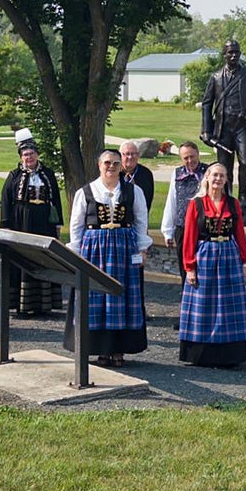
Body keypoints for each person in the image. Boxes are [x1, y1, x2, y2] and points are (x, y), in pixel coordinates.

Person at [65, 149, 152, 367]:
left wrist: (142, 249)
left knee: (122, 296)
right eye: (107, 163)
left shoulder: (134, 191)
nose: (111, 167)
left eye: (115, 163)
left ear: (121, 166)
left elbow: (142, 221)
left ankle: (119, 349)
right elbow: (76, 225)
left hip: (125, 248)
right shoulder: (85, 192)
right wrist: (76, 253)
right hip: (94, 249)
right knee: (96, 296)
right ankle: (100, 349)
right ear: (99, 165)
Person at [179, 163, 246, 367]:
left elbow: (239, 233)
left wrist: (245, 262)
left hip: (228, 255)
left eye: (222, 176)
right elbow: (189, 236)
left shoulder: (233, 203)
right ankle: (201, 354)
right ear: (207, 178)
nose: (218, 179)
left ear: (227, 179)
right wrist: (190, 267)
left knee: (228, 306)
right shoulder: (197, 204)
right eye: (215, 175)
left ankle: (228, 355)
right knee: (204, 304)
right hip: (204, 256)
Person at [0, 128, 64, 314]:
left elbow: (56, 200)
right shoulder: (14, 176)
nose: (29, 157)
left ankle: (44, 305)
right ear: (21, 157)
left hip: (44, 222)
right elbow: (6, 200)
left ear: (37, 154)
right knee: (24, 256)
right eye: (25, 154)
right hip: (22, 221)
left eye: (32, 154)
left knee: (43, 256)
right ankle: (22, 304)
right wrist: (6, 224)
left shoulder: (48, 174)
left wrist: (58, 222)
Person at [200, 39, 246, 204]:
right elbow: (207, 104)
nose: (234, 55)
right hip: (224, 128)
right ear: (224, 55)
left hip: (243, 127)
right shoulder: (215, 77)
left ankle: (242, 195)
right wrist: (206, 130)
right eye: (230, 52)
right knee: (224, 167)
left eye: (237, 52)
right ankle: (226, 196)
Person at [161, 141, 209, 276]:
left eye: (192, 156)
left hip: (203, 228)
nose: (190, 161)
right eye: (185, 158)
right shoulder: (177, 174)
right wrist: (167, 231)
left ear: (198, 154)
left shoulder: (209, 172)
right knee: (185, 268)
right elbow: (172, 201)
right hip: (183, 227)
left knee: (203, 267)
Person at [119, 140, 155, 211]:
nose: (130, 157)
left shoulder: (146, 174)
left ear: (138, 155)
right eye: (127, 154)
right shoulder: (115, 173)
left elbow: (148, 199)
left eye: (133, 154)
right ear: (120, 156)